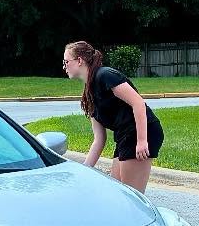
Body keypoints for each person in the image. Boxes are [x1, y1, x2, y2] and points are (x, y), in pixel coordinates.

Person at [61, 41, 162, 191]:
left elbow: (138, 103)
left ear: (80, 60)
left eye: (66, 61)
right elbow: (99, 140)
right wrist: (84, 170)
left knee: (131, 198)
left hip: (141, 132)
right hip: (124, 137)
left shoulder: (105, 75)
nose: (64, 67)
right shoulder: (89, 93)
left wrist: (142, 141)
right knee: (117, 192)